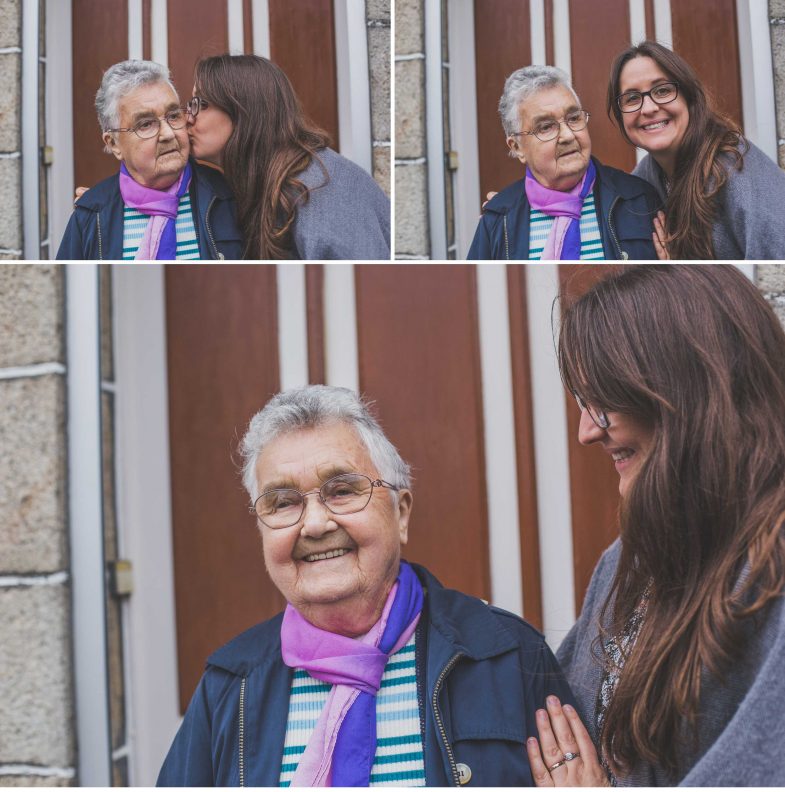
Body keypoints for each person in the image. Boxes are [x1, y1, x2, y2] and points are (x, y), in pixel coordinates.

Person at [157, 384, 573, 786]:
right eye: (283, 502)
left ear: (401, 513)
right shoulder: (229, 686)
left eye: (342, 491)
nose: (316, 524)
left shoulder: (506, 654)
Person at [526, 265, 785, 786]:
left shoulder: (771, 565)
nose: (585, 432)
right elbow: (557, 714)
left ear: (689, 388)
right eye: (582, 401)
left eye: (602, 399)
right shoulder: (627, 559)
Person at [185, 54, 390, 260]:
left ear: (245, 111)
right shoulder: (263, 182)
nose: (188, 118)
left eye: (201, 104)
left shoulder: (321, 189)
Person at [608, 41, 785, 259]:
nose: (649, 108)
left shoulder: (734, 166)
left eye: (662, 91)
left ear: (689, 97)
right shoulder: (643, 179)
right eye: (632, 98)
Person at [467, 66, 659, 261]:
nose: (568, 135)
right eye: (546, 127)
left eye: (574, 118)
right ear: (517, 147)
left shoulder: (639, 198)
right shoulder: (498, 220)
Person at [57, 60, 242, 260]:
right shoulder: (91, 215)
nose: (168, 134)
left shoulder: (228, 195)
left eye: (173, 116)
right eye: (146, 125)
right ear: (114, 144)